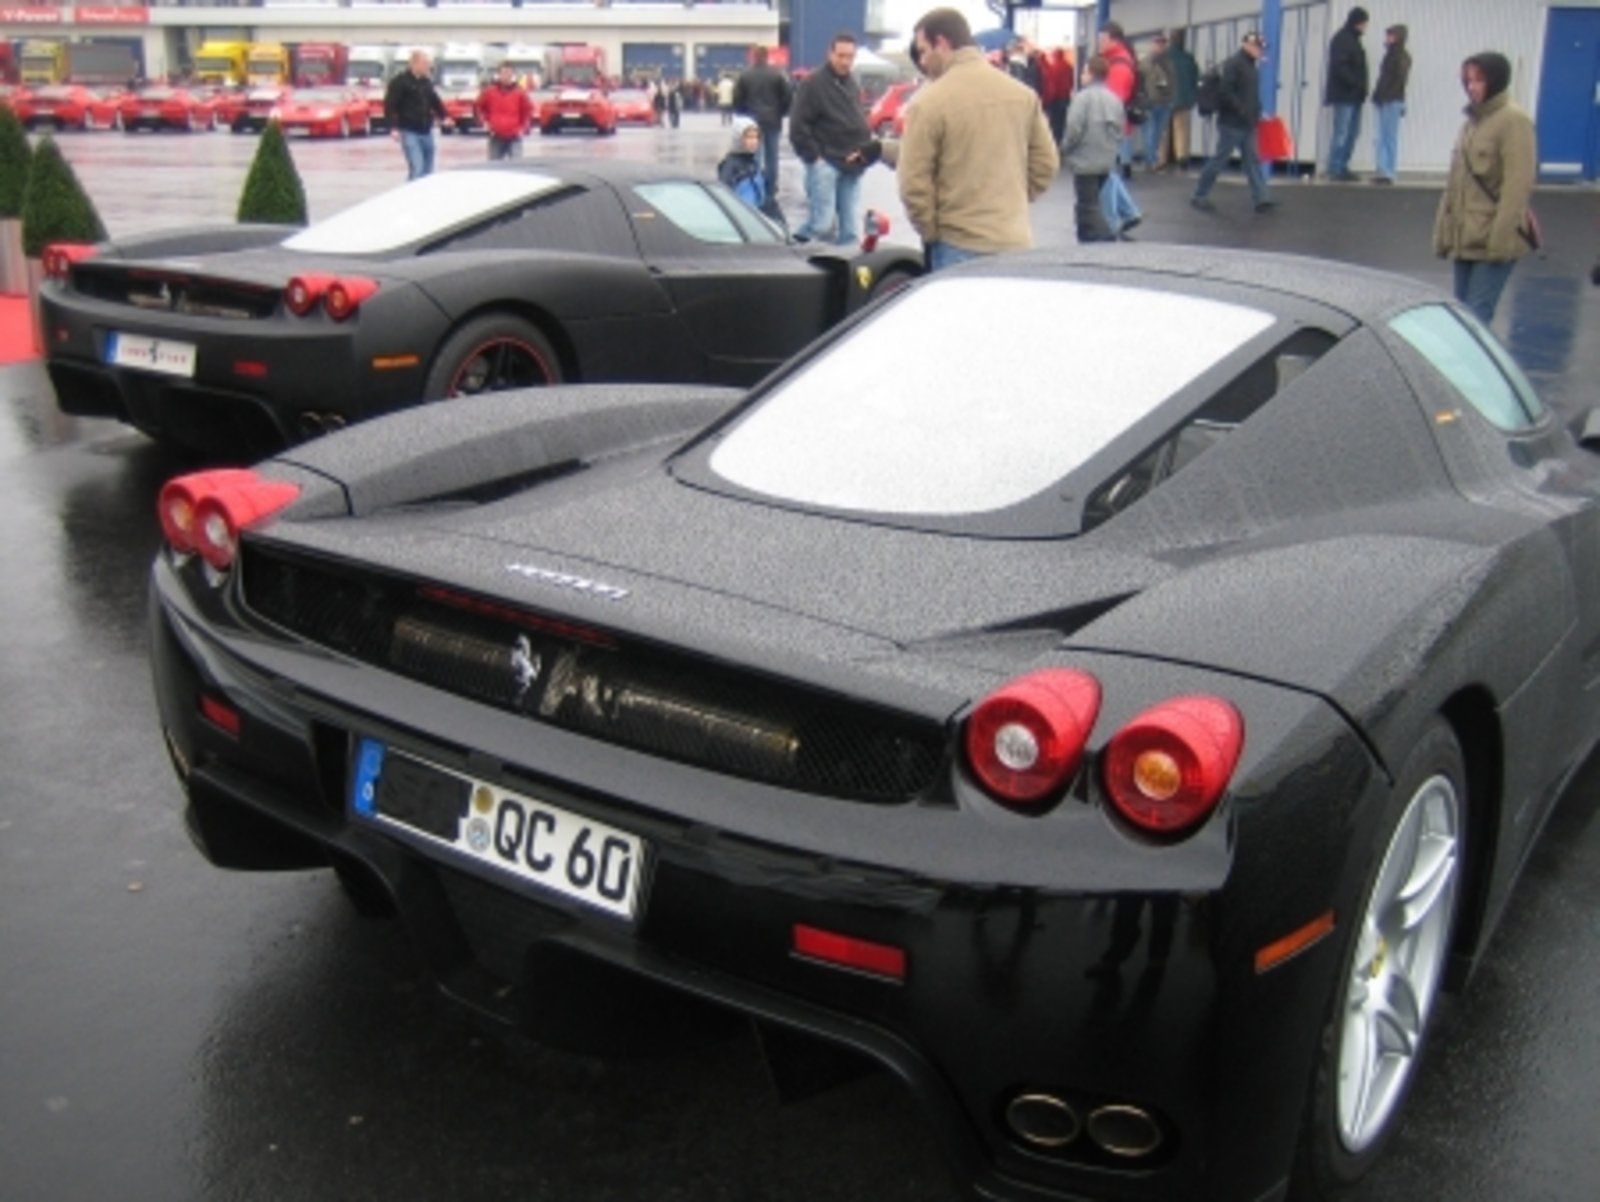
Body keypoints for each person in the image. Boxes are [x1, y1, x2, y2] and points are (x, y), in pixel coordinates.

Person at [897, 8, 1058, 270]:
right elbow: (1046, 164)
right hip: (1014, 241)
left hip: (957, 245)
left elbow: (913, 183)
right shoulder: (1023, 95)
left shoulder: (927, 103)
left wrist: (931, 231)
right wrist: (1013, 200)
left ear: (942, 43)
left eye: (924, 50)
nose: (923, 61)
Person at [1433, 52, 1537, 326]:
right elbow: (1456, 185)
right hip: (1465, 237)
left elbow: (1518, 186)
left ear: (1496, 80)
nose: (1472, 87)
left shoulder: (1513, 121)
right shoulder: (1471, 122)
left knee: (1477, 320)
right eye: (1468, 80)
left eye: (1479, 80)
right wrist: (1443, 234)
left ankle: (1475, 370)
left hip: (1492, 238)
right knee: (1463, 319)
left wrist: (1499, 242)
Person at [789, 32, 882, 245]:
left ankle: (846, 272)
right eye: (841, 55)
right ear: (830, 54)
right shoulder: (813, 83)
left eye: (850, 56)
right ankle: (792, 249)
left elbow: (857, 118)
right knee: (821, 224)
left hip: (853, 163)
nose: (845, 61)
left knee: (850, 230)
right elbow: (798, 126)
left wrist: (863, 151)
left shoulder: (852, 83)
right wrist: (814, 157)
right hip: (826, 162)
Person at [1190, 31, 1275, 215]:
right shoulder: (1235, 64)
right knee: (1220, 160)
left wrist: (1257, 112)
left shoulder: (1250, 66)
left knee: (1251, 161)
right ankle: (1199, 195)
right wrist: (1243, 110)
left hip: (1245, 122)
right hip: (1232, 123)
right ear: (1247, 45)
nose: (1260, 51)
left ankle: (1261, 198)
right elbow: (1226, 92)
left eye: (1261, 48)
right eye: (1257, 47)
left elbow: (1250, 95)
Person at [1060, 54, 1123, 244]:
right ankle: (1096, 235)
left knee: (1086, 205)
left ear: (1091, 74)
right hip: (1106, 158)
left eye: (1084, 72)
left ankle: (1099, 236)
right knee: (1097, 202)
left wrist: (1064, 149)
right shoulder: (1114, 99)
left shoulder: (1082, 98)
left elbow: (1074, 128)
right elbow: (1119, 129)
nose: (1081, 76)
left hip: (1085, 160)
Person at [733, 46, 793, 196]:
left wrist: (742, 114)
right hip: (773, 120)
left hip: (752, 120)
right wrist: (781, 112)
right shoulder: (777, 75)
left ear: (754, 57)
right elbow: (787, 96)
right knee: (772, 156)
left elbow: (737, 98)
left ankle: (756, 185)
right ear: (767, 57)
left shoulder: (745, 75)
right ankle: (771, 186)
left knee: (755, 156)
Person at [385, 50, 449, 180]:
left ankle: (425, 196)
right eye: (425, 64)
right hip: (409, 131)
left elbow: (434, 101)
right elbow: (390, 105)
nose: (428, 67)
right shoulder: (399, 82)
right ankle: (411, 196)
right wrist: (393, 127)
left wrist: (444, 117)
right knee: (417, 167)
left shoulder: (426, 82)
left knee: (428, 169)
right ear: (414, 64)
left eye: (428, 64)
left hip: (426, 130)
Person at [1325, 6, 1370, 181]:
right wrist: (1357, 84)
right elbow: (1340, 67)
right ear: (1358, 22)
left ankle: (1341, 165)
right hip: (1345, 95)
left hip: (1353, 95)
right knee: (1343, 132)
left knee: (1351, 132)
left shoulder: (1350, 39)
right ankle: (1336, 167)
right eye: (1365, 23)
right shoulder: (1344, 40)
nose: (1366, 27)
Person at [718, 116, 785, 226]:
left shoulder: (754, 165)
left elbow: (766, 200)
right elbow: (725, 197)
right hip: (742, 222)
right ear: (738, 138)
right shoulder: (730, 166)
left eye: (755, 137)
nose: (753, 141)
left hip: (756, 220)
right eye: (748, 137)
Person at [1370, 25, 1411, 184]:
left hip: (1390, 100)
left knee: (1386, 136)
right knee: (1384, 136)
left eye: (1390, 36)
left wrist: (1381, 95)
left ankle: (1387, 170)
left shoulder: (1398, 56)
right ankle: (1384, 169)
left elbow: (1395, 80)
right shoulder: (1395, 56)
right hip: (1390, 99)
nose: (1387, 39)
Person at [476, 62, 533, 162]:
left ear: (512, 75)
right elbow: (478, 107)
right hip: (496, 135)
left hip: (514, 136)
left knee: (517, 166)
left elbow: (527, 111)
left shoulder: (520, 93)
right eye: (503, 73)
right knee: (494, 168)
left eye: (508, 73)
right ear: (499, 75)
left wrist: (523, 128)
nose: (506, 76)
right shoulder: (489, 92)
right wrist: (484, 123)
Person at [1163, 29, 1199, 171]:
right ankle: (1182, 157)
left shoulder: (1164, 57)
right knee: (1182, 129)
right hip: (1184, 98)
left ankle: (1161, 158)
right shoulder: (1188, 58)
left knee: (1163, 131)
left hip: (1165, 98)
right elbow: (1195, 78)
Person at [1139, 33, 1175, 171]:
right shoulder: (1145, 63)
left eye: (1162, 44)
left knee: (1158, 132)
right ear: (1151, 45)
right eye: (1157, 43)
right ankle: (1150, 160)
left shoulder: (1169, 62)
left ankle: (1151, 158)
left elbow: (1172, 82)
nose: (1160, 46)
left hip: (1165, 102)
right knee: (1151, 132)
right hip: (1150, 102)